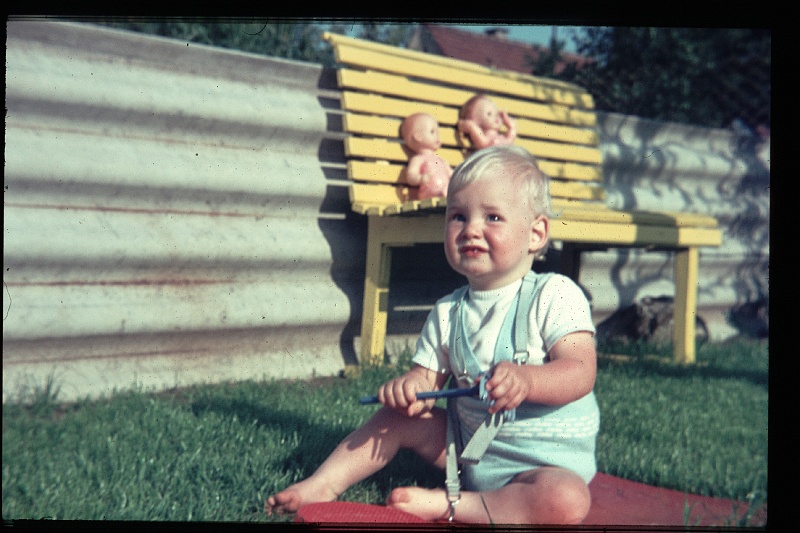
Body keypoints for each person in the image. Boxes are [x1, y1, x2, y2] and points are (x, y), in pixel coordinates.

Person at [265, 145, 599, 525]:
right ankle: (322, 484)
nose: (471, 229)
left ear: (536, 233)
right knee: (393, 419)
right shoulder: (447, 313)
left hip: (546, 466)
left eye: (492, 217)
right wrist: (409, 390)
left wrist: (528, 379)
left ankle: (451, 505)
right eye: (458, 216)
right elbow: (426, 383)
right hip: (469, 451)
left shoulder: (556, 294)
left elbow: (580, 371)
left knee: (566, 501)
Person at [400, 112, 452, 200]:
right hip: (428, 193)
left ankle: (446, 192)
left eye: (438, 133)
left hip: (445, 190)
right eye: (432, 132)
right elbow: (411, 176)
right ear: (418, 136)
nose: (438, 136)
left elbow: (450, 173)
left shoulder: (441, 160)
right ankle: (445, 193)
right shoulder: (418, 159)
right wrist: (420, 179)